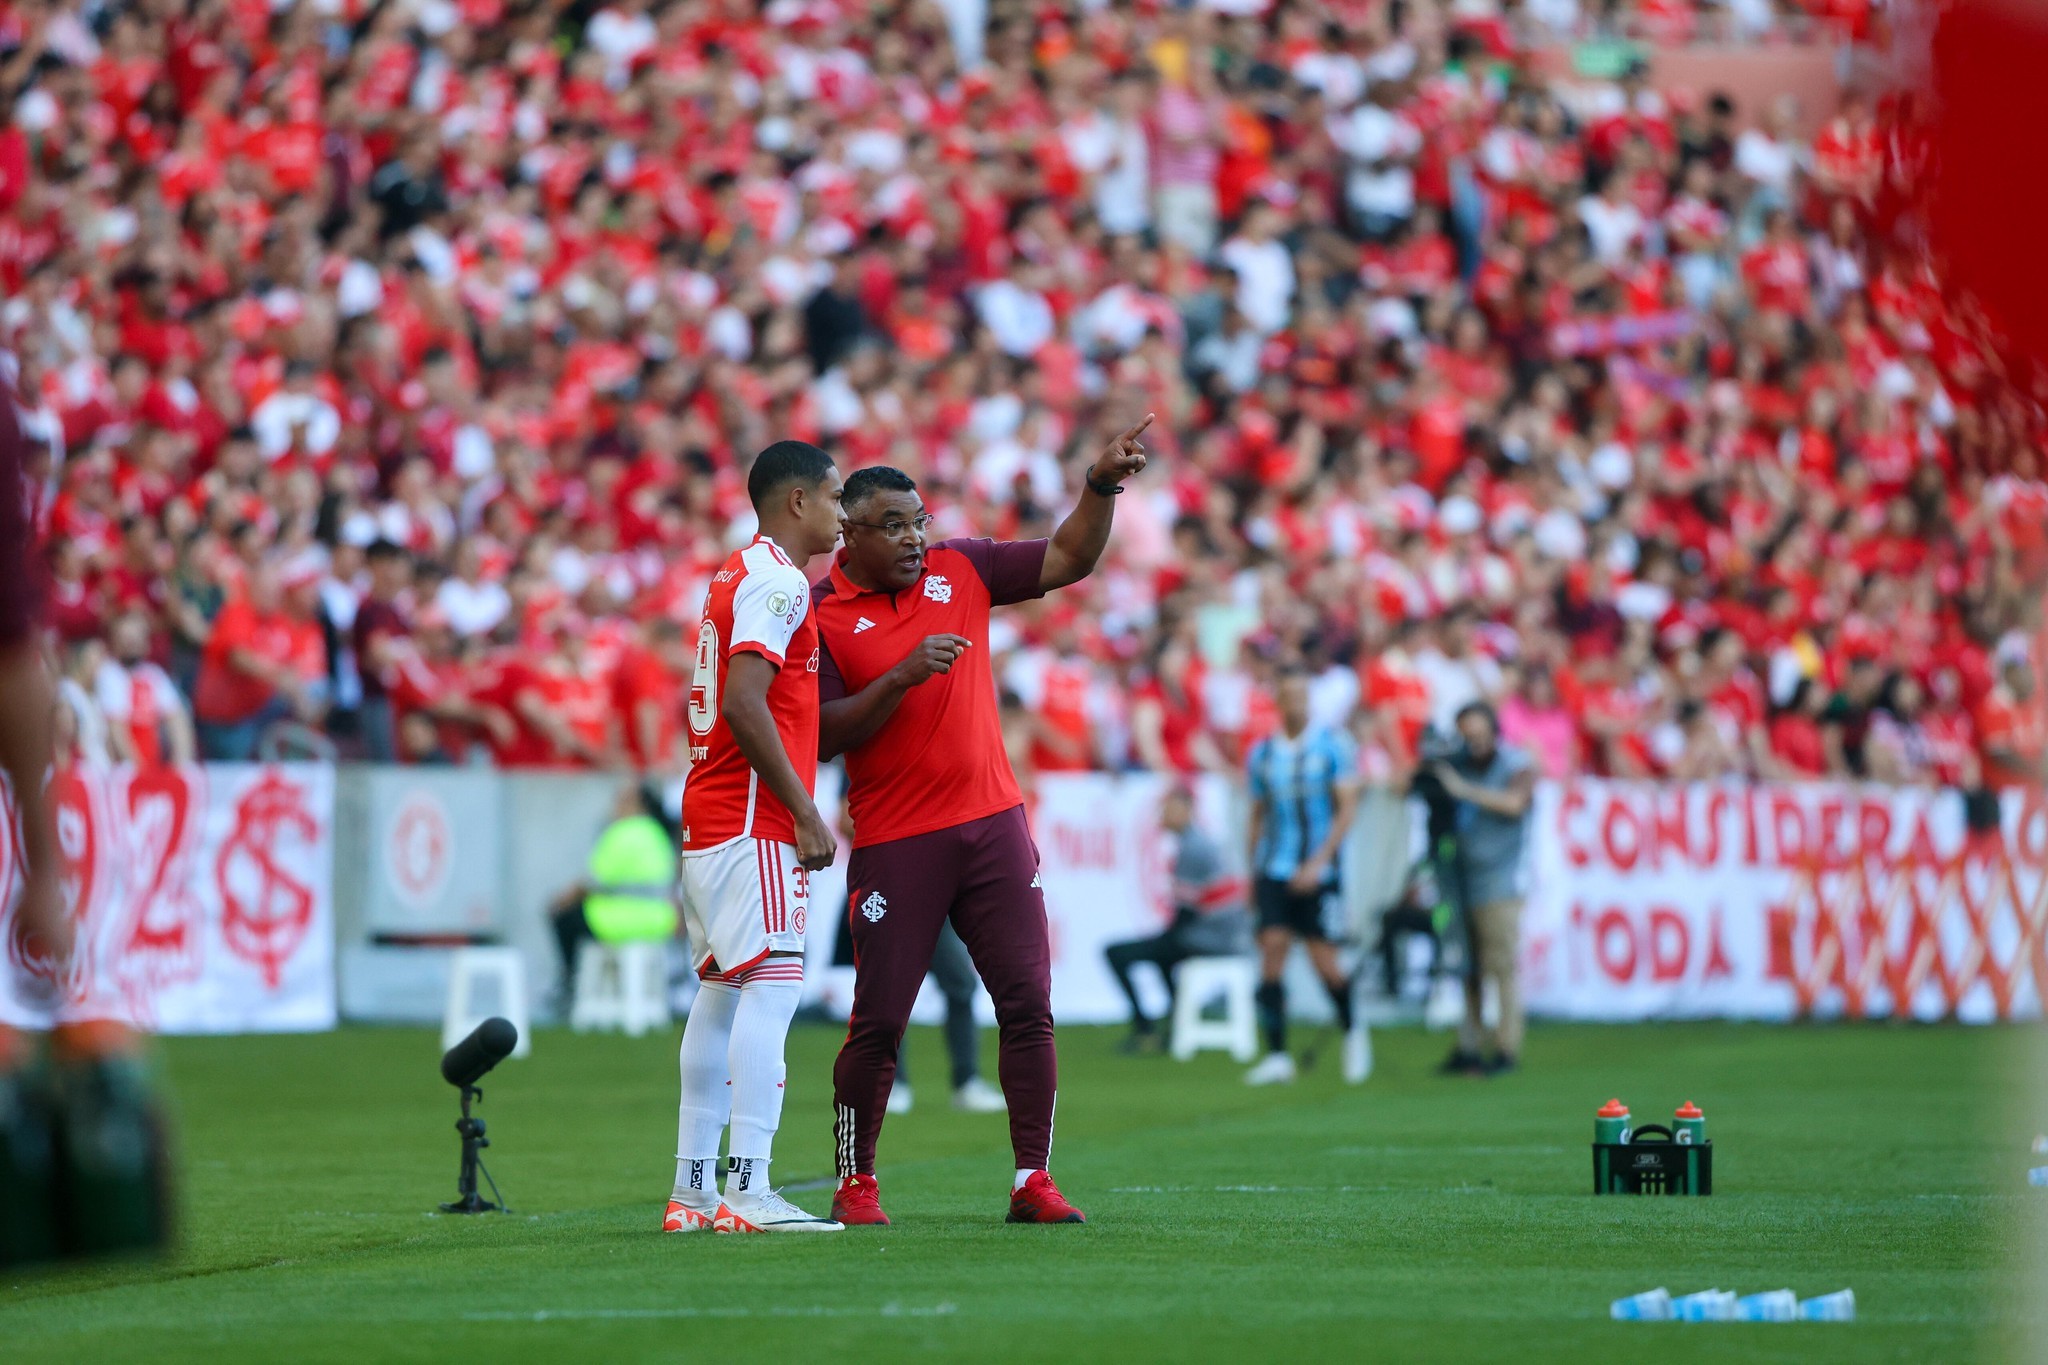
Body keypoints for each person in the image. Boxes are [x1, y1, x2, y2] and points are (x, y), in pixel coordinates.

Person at [814, 414, 1154, 1228]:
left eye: (919, 520)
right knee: (879, 1023)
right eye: (891, 526)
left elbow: (1070, 557)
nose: (913, 538)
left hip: (994, 823)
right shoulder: (820, 610)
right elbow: (824, 735)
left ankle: (1031, 1178)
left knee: (1028, 1003)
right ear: (847, 534)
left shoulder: (960, 567)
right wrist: (898, 677)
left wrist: (1098, 485)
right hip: (896, 840)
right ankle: (856, 1182)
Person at [662, 440, 845, 1236]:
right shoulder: (777, 582)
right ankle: (751, 1188)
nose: (842, 514)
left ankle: (693, 1191)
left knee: (719, 992)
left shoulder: (735, 572)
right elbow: (745, 700)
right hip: (753, 819)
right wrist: (804, 807)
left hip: (709, 816)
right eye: (836, 498)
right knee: (771, 988)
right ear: (798, 501)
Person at [1243, 668, 1370, 1087]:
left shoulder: (1333, 746)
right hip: (1274, 868)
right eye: (1288, 695)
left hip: (1320, 872)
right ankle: (1277, 1054)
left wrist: (1318, 863)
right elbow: (1258, 814)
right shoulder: (1261, 754)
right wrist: (1252, 871)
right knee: (1272, 951)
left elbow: (1347, 810)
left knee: (1325, 963)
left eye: (1302, 694)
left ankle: (1353, 1031)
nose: (1296, 702)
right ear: (1278, 702)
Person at [1431, 702, 1536, 1077]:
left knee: (1501, 966)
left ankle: (1506, 1048)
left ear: (1494, 731)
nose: (1473, 743)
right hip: (1459, 876)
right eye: (1466, 735)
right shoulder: (1455, 763)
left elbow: (1514, 804)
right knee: (1468, 967)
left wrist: (1462, 790)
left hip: (1499, 879)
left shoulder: (1515, 764)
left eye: (1479, 734)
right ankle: (1470, 1045)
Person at [1103, 784, 1248, 1051]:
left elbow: (1187, 914)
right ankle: (1175, 1024)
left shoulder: (1193, 849)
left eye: (1168, 810)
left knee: (1116, 953)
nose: (1163, 816)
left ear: (1186, 811)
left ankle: (1146, 1028)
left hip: (1210, 938)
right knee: (1163, 954)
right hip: (1223, 935)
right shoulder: (1200, 843)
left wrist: (1164, 938)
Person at [548, 783, 679, 1011]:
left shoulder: (621, 832)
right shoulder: (658, 833)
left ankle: (571, 980)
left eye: (621, 799)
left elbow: (592, 881)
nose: (615, 805)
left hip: (618, 921)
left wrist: (561, 900)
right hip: (660, 921)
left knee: (563, 917)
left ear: (634, 804)